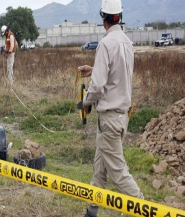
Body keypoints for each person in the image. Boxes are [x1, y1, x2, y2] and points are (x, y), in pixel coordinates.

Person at [78, 0, 144, 216]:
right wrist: (94, 68)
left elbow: (97, 86)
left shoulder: (106, 44)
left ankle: (144, 209)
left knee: (118, 174)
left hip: (109, 119)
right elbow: (116, 75)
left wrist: (85, 102)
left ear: (103, 17)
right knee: (100, 169)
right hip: (121, 117)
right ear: (119, 17)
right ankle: (91, 211)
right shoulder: (127, 43)